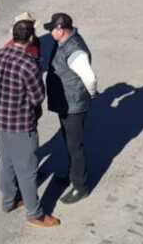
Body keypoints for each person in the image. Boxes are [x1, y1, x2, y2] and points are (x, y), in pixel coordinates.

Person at [0, 19, 60, 228]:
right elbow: (38, 97)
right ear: (31, 38)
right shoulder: (29, 64)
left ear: (13, 35)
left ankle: (9, 201)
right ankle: (35, 214)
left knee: (7, 162)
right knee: (27, 170)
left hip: (0, 120)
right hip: (22, 124)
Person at [44, 12, 97, 205]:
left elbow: (90, 78)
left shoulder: (75, 50)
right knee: (68, 142)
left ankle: (80, 186)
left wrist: (91, 94)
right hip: (66, 102)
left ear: (61, 30)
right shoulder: (64, 42)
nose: (50, 32)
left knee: (75, 147)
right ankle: (71, 173)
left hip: (74, 105)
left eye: (52, 29)